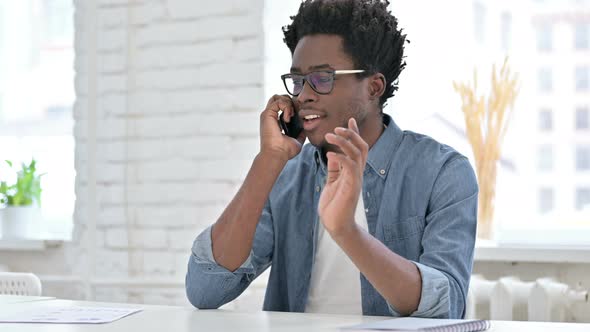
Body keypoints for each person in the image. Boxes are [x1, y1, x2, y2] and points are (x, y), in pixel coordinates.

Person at [185, 0, 478, 318]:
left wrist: (346, 232)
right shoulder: (285, 175)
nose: (304, 95)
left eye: (322, 79)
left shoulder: (442, 173)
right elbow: (206, 290)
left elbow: (446, 306)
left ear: (373, 87)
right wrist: (268, 160)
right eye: (297, 81)